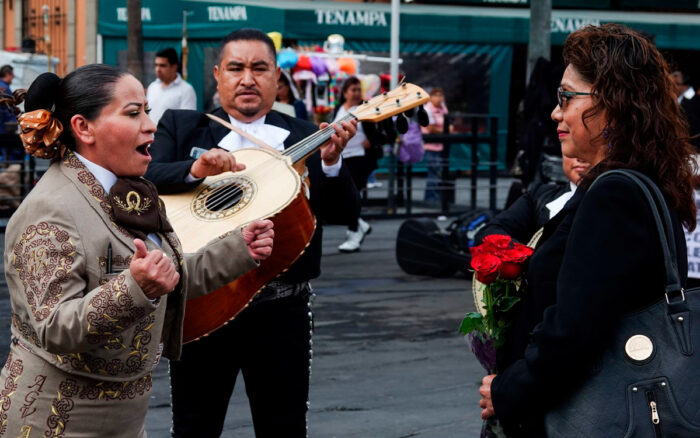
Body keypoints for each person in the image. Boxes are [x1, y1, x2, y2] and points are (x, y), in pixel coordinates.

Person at [0, 65, 274, 437]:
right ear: (84, 127)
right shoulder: (50, 208)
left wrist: (238, 250)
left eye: (146, 109)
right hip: (54, 419)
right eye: (134, 113)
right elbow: (53, 326)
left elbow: (164, 276)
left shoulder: (132, 189)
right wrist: (135, 289)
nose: (150, 125)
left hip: (127, 419)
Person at [477, 24, 695, 436]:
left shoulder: (614, 195)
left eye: (566, 97)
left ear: (613, 104)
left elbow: (574, 332)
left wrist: (508, 390)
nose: (555, 112)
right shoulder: (634, 182)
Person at [143, 28, 359, 437]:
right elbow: (145, 178)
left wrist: (330, 165)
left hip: (282, 307)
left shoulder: (305, 135)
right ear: (218, 74)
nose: (247, 79)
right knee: (194, 425)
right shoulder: (182, 125)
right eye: (236, 68)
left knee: (284, 426)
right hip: (203, 299)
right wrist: (194, 169)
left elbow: (346, 213)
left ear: (277, 77)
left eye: (259, 68)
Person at [332, 76, 391, 252]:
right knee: (340, 195)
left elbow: (386, 131)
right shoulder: (339, 109)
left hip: (361, 157)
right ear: (345, 93)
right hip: (343, 157)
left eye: (359, 90)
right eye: (353, 90)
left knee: (352, 195)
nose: (357, 93)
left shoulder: (367, 108)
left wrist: (372, 141)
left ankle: (354, 233)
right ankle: (359, 224)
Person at [146, 47, 196, 125]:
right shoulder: (152, 87)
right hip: (150, 136)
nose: (158, 69)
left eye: (162, 65)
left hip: (171, 137)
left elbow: (187, 121)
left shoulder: (186, 90)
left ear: (174, 67)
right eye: (156, 65)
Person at [421, 87, 449, 203]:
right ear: (430, 97)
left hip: (442, 146)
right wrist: (445, 130)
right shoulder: (427, 110)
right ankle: (430, 200)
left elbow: (449, 122)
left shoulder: (443, 108)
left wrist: (447, 129)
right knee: (433, 174)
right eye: (436, 95)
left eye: (441, 95)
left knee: (438, 174)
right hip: (430, 146)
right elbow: (430, 128)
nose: (439, 98)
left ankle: (434, 199)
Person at [671, 70, 700, 151]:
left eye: (676, 83)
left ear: (684, 86)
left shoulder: (696, 102)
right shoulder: (668, 101)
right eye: (670, 83)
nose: (672, 86)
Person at [0, 64, 17, 135]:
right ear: (7, 74)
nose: (14, 76)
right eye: (12, 75)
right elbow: (10, 110)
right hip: (3, 127)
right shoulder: (5, 89)